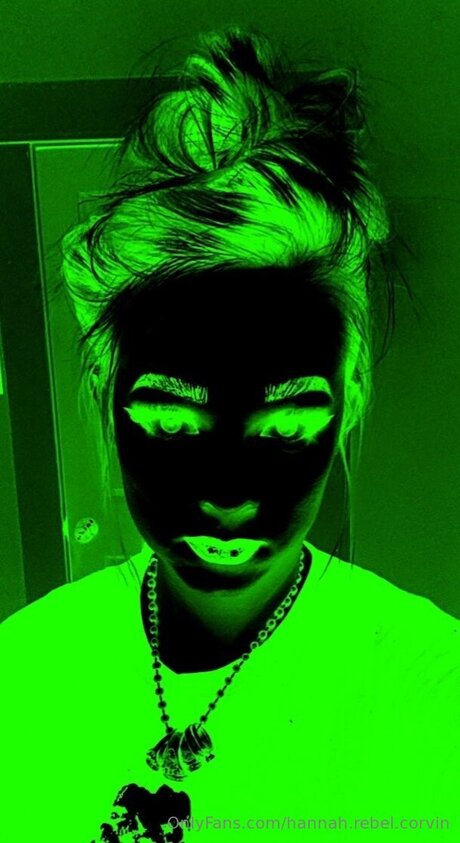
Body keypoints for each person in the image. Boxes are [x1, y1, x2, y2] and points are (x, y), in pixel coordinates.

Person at [1, 25, 459, 842]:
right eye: (173, 422)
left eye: (284, 426)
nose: (227, 490)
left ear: (349, 404)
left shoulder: (429, 689)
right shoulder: (24, 668)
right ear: (106, 396)